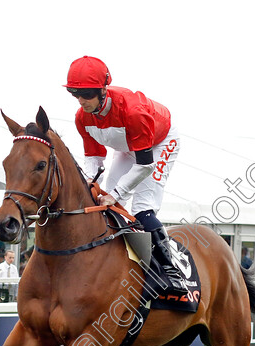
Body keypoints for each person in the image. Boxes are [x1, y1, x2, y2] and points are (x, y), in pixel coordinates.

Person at [64, 56, 186, 296]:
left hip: (159, 144)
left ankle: (171, 273)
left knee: (142, 208)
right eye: (75, 93)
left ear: (103, 90)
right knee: (107, 203)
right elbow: (94, 159)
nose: (81, 101)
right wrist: (90, 184)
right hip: (129, 147)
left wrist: (115, 193)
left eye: (86, 94)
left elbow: (145, 165)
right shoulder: (82, 118)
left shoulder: (133, 112)